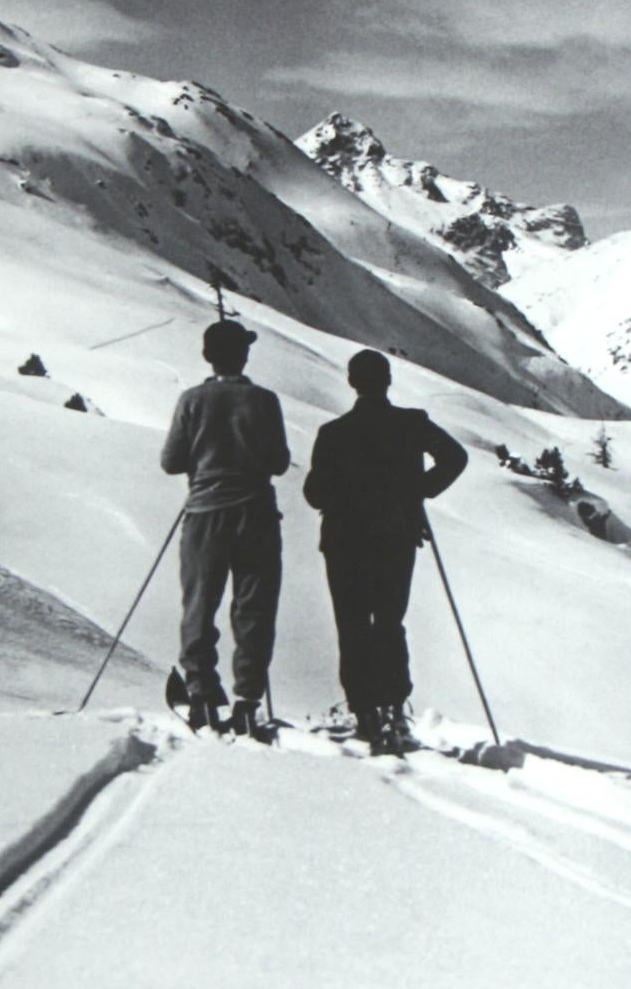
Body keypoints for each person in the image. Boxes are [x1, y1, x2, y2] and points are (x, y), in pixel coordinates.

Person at [302, 348, 467, 755]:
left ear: (352, 383)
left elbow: (314, 493)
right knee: (390, 620)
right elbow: (455, 457)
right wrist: (418, 491)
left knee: (353, 623)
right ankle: (394, 706)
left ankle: (364, 713)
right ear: (388, 380)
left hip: (344, 540)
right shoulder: (411, 424)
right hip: (396, 534)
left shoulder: (333, 433)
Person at [158, 318, 292, 740]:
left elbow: (171, 461)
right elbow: (278, 463)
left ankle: (201, 695)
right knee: (254, 609)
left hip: (205, 512)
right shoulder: (264, 400)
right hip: (256, 513)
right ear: (244, 354)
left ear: (206, 356)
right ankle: (248, 701)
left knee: (200, 605)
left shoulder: (191, 400)